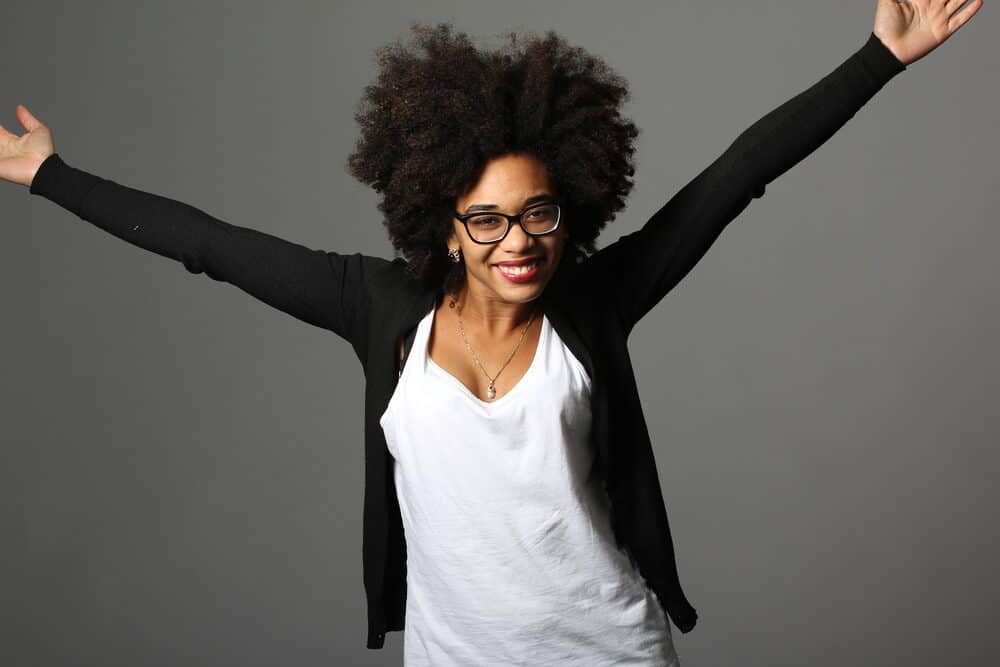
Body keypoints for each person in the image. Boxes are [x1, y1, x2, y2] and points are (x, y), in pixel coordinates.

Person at [2, 1, 982, 664]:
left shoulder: (594, 304)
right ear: (444, 221)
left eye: (539, 213)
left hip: (608, 652)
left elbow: (732, 179)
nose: (518, 243)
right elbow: (211, 245)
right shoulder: (376, 309)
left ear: (571, 207)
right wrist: (51, 174)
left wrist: (878, 59)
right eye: (488, 219)